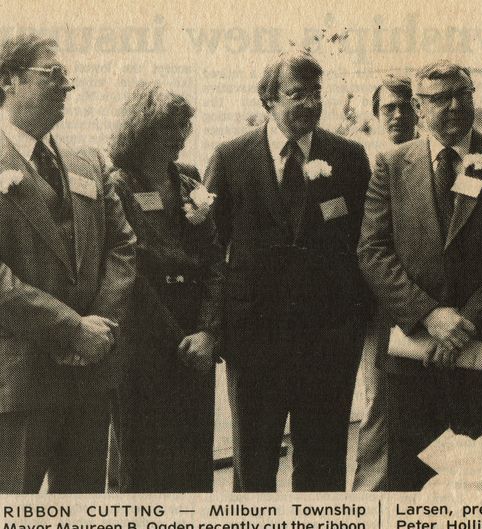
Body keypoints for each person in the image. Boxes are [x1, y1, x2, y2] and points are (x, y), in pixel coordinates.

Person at [358, 61, 482, 491]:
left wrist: (467, 321)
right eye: (441, 99)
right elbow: (373, 250)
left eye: (463, 94)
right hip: (413, 350)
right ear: (419, 109)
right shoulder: (390, 165)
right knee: (411, 476)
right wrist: (429, 316)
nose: (455, 105)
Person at [206, 50, 371, 492]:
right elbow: (209, 250)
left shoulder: (350, 157)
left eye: (316, 93)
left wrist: (353, 328)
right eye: (297, 94)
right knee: (254, 468)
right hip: (254, 342)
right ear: (269, 101)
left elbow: (366, 246)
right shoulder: (231, 157)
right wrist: (216, 326)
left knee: (322, 466)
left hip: (328, 344)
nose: (310, 104)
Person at [0, 34, 136, 493]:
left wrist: (98, 329)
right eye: (52, 75)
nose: (66, 86)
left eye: (67, 77)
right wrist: (69, 327)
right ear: (9, 81)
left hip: (89, 377)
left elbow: (122, 244)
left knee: (80, 524)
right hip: (20, 379)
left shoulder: (88, 160)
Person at [108, 82, 224, 493]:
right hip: (146, 338)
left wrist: (208, 331)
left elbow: (213, 259)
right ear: (140, 129)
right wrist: (179, 338)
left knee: (194, 460)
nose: (180, 135)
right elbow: (132, 267)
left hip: (198, 335)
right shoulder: (118, 183)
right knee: (143, 462)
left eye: (184, 125)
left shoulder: (191, 179)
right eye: (169, 126)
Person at [353, 75, 418, 492]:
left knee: (419, 403)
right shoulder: (363, 160)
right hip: (378, 302)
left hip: (427, 303)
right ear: (376, 115)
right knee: (379, 402)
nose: (397, 115)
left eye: (404, 106)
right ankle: (371, 497)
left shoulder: (433, 158)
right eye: (387, 108)